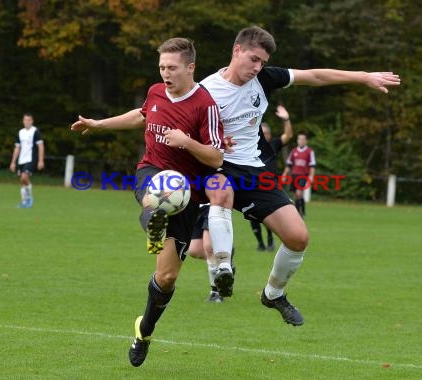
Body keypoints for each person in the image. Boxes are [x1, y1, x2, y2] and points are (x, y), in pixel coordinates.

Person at [200, 25, 400, 325]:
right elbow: (165, 118)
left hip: (256, 172)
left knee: (298, 238)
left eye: (263, 63)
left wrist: (363, 77)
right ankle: (222, 269)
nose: (258, 67)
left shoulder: (264, 79)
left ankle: (273, 294)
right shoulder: (203, 91)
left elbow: (314, 76)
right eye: (253, 59)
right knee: (220, 191)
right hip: (218, 167)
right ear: (236, 50)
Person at [70, 38, 224, 367]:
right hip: (151, 172)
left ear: (190, 68)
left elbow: (215, 156)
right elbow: (141, 117)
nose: (166, 73)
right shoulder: (155, 91)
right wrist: (99, 124)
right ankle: (153, 221)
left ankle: (145, 329)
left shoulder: (204, 105)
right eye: (162, 68)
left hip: (190, 194)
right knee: (157, 194)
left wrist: (187, 142)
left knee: (167, 278)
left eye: (172, 68)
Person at [251, 105, 293, 251]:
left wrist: (286, 119)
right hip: (253, 184)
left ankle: (269, 239)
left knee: (268, 214)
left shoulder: (274, 144)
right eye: (263, 133)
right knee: (252, 215)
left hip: (270, 185)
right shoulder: (250, 146)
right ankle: (260, 243)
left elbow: (288, 135)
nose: (266, 135)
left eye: (267, 133)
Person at [187, 203, 235, 303]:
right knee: (194, 250)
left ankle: (216, 293)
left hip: (215, 204)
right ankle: (224, 261)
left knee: (209, 247)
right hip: (196, 205)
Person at [9, 113, 44, 208]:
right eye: (25, 120)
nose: (27, 122)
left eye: (29, 120)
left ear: (32, 121)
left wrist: (41, 160)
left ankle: (29, 198)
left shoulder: (35, 131)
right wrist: (13, 162)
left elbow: (40, 146)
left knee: (24, 178)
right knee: (22, 181)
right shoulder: (21, 132)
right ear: (23, 121)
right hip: (21, 160)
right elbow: (17, 148)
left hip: (31, 159)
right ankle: (24, 202)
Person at [283, 133, 315, 218]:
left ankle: (298, 213)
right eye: (299, 139)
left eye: (302, 139)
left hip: (303, 175)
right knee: (296, 195)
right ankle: (302, 211)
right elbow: (289, 164)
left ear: (305, 141)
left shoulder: (309, 152)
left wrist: (311, 176)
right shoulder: (294, 151)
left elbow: (312, 165)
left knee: (299, 193)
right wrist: (284, 174)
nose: (301, 141)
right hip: (294, 175)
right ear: (297, 140)